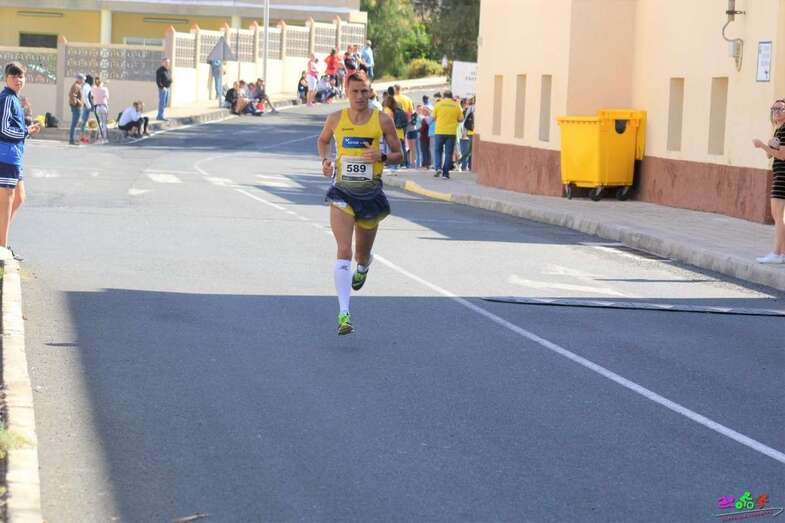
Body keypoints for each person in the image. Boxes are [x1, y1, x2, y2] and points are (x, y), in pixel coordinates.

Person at [317, 72, 403, 335]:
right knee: (344, 249)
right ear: (346, 91)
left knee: (360, 254)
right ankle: (344, 314)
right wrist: (325, 160)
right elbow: (322, 141)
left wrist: (383, 156)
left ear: (371, 92)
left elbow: (400, 155)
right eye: (354, 91)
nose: (359, 97)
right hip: (342, 191)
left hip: (370, 195)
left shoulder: (382, 120)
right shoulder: (336, 119)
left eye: (364, 91)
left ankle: (364, 266)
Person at [0, 62, 40, 260]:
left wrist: (27, 132)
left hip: (14, 155)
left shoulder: (15, 99)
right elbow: (3, 129)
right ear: (6, 78)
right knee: (6, 200)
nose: (18, 79)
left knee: (19, 198)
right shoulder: (6, 98)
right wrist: (26, 131)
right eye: (13, 76)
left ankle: (1, 243)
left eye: (21, 76)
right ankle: (2, 248)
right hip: (5, 155)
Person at [753, 98, 785, 263]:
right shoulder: (778, 130)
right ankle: (782, 253)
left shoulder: (784, 130)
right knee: (778, 216)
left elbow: (782, 155)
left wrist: (762, 146)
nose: (776, 111)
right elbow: (770, 155)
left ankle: (777, 254)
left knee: (778, 216)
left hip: (782, 177)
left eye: (780, 109)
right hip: (779, 174)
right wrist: (770, 146)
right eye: (774, 109)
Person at [432, 90, 463, 179]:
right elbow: (461, 119)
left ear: (443, 96)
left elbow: (433, 118)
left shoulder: (438, 104)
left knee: (438, 150)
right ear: (451, 96)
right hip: (451, 132)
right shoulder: (456, 105)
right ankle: (445, 173)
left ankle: (438, 168)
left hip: (439, 131)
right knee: (449, 153)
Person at [67, 73, 85, 145]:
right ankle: (72, 140)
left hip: (75, 106)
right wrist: (77, 103)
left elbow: (73, 95)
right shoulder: (76, 86)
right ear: (79, 79)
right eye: (82, 79)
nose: (83, 81)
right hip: (76, 107)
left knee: (74, 124)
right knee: (74, 124)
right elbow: (72, 95)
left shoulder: (76, 85)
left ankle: (72, 140)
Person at [91, 77, 109, 143]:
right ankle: (105, 137)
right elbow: (107, 97)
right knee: (104, 123)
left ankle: (99, 137)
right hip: (104, 106)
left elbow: (92, 94)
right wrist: (103, 85)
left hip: (97, 107)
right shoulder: (105, 89)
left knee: (99, 123)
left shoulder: (93, 89)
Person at [79, 74, 94, 140]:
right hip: (87, 106)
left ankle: (82, 136)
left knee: (84, 121)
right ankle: (82, 136)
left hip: (86, 105)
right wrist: (89, 106)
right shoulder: (87, 86)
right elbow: (86, 97)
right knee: (84, 122)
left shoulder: (85, 86)